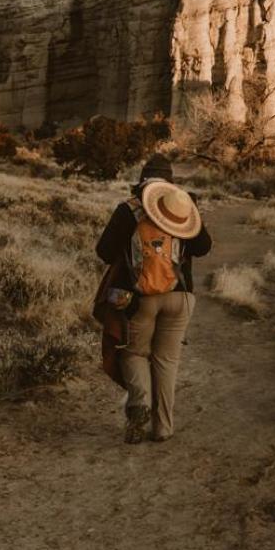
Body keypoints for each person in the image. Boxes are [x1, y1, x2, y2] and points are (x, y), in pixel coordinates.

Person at [94, 153, 212, 444]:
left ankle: (140, 405)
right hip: (180, 297)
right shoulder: (184, 206)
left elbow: (104, 252)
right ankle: (163, 428)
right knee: (167, 361)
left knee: (134, 354)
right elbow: (203, 247)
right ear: (170, 183)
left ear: (143, 181)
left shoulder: (129, 209)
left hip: (140, 299)